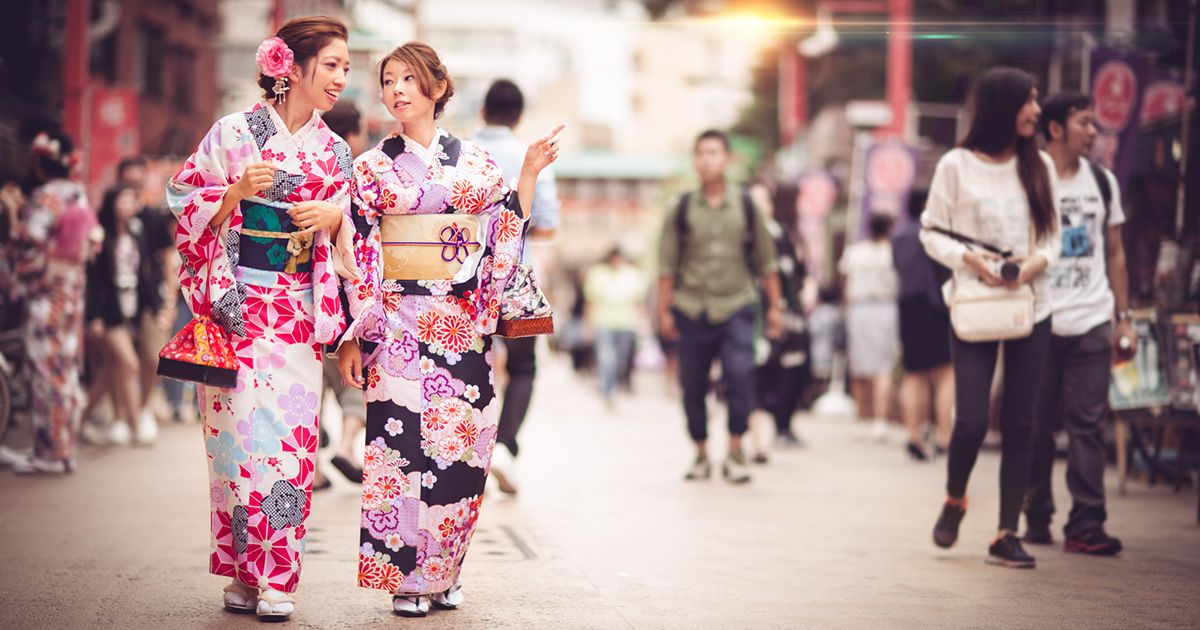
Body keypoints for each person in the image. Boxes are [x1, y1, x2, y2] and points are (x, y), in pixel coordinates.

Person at [334, 41, 560, 616]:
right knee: (396, 453)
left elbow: (502, 230)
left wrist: (529, 172)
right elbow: (358, 251)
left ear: (437, 86)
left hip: (459, 326)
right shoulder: (369, 168)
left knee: (461, 453)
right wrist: (360, 332)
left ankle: (446, 571)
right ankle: (407, 580)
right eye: (389, 81)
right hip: (395, 325)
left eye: (409, 78)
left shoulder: (478, 165)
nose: (397, 90)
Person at [167, 16, 354, 619]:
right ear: (292, 68)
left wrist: (334, 223)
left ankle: (278, 579)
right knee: (235, 449)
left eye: (346, 69)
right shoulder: (232, 133)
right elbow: (182, 198)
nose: (341, 79)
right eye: (332, 65)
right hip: (237, 312)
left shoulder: (336, 152)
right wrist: (233, 194)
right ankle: (245, 575)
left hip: (297, 313)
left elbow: (358, 236)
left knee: (291, 448)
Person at [921, 66, 1060, 569]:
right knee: (972, 420)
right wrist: (970, 261)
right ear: (1004, 106)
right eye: (1030, 100)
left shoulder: (1039, 165)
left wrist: (1031, 267)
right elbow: (931, 232)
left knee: (1020, 422)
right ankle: (955, 497)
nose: (1037, 111)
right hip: (976, 302)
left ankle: (1006, 531)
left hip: (1031, 303)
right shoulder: (956, 165)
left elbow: (1053, 240)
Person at [1022, 92, 1132, 556]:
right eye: (1085, 123)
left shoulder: (1103, 181)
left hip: (1091, 318)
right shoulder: (1029, 180)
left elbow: (1116, 252)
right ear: (1055, 129)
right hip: (1039, 318)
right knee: (1035, 425)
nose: (1094, 132)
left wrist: (1122, 318)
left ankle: (1086, 523)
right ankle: (1036, 514)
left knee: (1086, 424)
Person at [657, 129, 783, 484]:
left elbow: (767, 261)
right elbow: (666, 266)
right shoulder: (681, 208)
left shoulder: (746, 205)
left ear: (727, 159)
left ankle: (735, 450)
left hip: (737, 305)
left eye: (713, 153)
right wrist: (664, 312)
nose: (706, 160)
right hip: (691, 307)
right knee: (693, 385)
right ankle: (700, 452)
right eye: (700, 154)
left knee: (740, 377)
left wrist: (774, 308)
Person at [470, 79, 560, 494]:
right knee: (524, 367)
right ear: (518, 116)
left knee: (471, 365)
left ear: (483, 112)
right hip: (517, 283)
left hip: (465, 278)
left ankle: (470, 452)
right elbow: (546, 227)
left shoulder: (463, 153)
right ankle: (504, 445)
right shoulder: (534, 157)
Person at [8, 129, 95, 474]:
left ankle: (49, 453)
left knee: (44, 371)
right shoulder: (78, 195)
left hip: (47, 293)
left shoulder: (46, 197)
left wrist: (14, 219)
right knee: (65, 371)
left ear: (39, 163)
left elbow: (28, 241)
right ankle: (63, 450)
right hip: (71, 292)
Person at [82, 184, 159, 446]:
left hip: (132, 308)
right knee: (130, 364)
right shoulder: (100, 234)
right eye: (124, 199)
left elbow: (145, 273)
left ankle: (79, 421)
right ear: (113, 203)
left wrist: (153, 306)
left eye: (132, 199)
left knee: (107, 373)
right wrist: (94, 316)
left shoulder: (137, 232)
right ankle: (136, 423)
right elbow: (94, 281)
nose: (129, 204)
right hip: (109, 313)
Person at [319, 100, 370, 487]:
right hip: (346, 296)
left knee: (314, 381)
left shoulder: (311, 168)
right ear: (352, 135)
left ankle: (315, 466)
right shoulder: (357, 176)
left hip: (305, 294)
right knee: (356, 377)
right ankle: (347, 445)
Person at [748, 182, 809, 460]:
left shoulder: (782, 234)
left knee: (791, 371)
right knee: (757, 373)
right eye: (754, 199)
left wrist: (800, 298)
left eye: (765, 199)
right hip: (756, 315)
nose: (761, 205)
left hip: (789, 315)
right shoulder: (745, 236)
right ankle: (757, 440)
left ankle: (783, 426)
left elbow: (797, 273)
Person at [893, 190, 955, 461]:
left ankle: (913, 435)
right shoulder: (935, 235)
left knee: (913, 373)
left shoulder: (899, 236)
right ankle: (944, 437)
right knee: (945, 373)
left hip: (907, 308)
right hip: (935, 307)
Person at [839, 213, 898, 441]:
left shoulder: (855, 251)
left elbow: (844, 281)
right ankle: (879, 420)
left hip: (859, 308)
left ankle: (862, 416)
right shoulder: (891, 252)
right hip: (886, 307)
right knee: (883, 366)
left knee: (860, 365)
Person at [583, 246, 646, 407]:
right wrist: (588, 324)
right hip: (603, 322)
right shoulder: (598, 274)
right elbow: (590, 300)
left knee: (621, 360)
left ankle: (615, 384)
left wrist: (642, 324)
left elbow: (639, 302)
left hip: (626, 323)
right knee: (606, 358)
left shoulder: (633, 275)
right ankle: (606, 388)